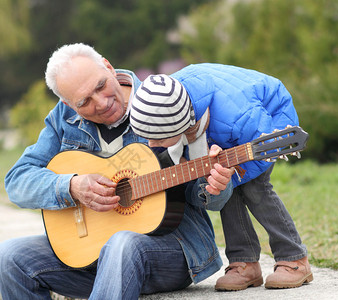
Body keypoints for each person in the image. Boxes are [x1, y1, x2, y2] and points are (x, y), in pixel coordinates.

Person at [0, 43, 235, 300]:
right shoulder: (62, 118)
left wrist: (215, 185)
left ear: (108, 66)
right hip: (91, 256)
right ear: (68, 103)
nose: (102, 102)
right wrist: (71, 186)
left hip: (172, 249)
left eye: (100, 86)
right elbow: (17, 181)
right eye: (84, 101)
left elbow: (207, 198)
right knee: (7, 258)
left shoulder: (162, 99)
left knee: (121, 244)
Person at [129, 67, 314, 291]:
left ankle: (294, 258)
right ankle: (244, 264)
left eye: (158, 138)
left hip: (267, 127)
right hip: (215, 129)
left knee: (255, 190)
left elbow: (259, 150)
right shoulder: (162, 102)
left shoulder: (240, 118)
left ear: (180, 126)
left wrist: (230, 176)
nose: (151, 144)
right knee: (225, 188)